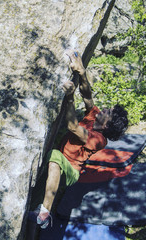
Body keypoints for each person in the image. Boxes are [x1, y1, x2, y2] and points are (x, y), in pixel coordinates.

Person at [28, 50, 128, 229]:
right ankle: (40, 212)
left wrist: (69, 97)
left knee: (55, 157)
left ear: (107, 125)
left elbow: (73, 127)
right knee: (53, 162)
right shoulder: (95, 116)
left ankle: (44, 214)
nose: (104, 109)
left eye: (109, 113)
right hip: (61, 163)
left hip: (71, 172)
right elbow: (87, 95)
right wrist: (81, 72)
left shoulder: (99, 139)